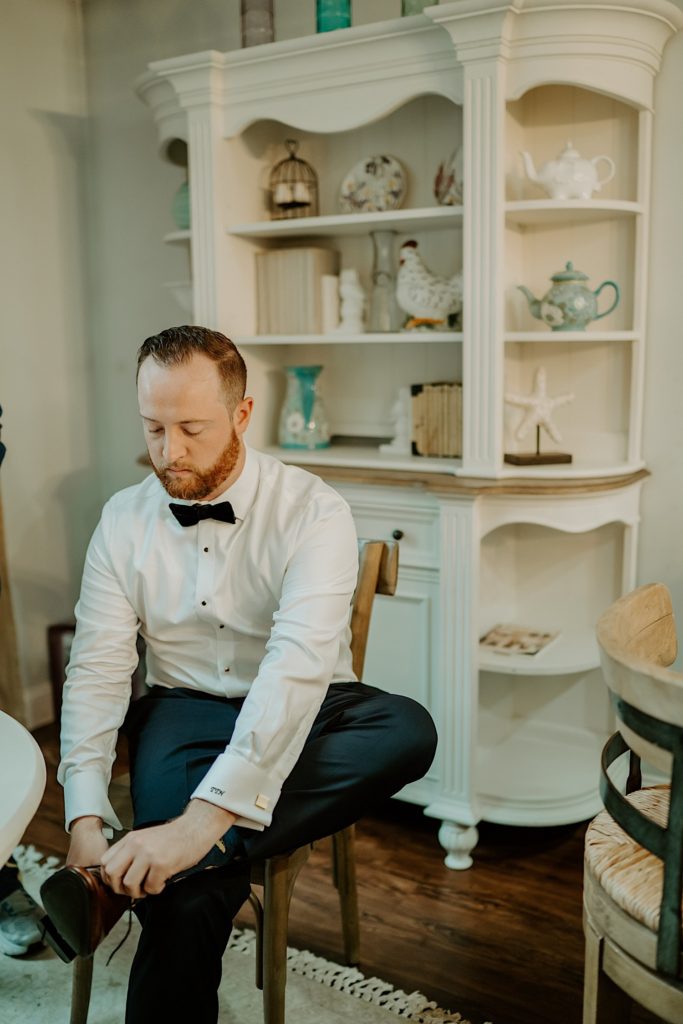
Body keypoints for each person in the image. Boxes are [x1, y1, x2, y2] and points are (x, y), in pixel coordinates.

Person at [49, 326, 437, 1024]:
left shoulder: (313, 510)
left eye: (191, 428)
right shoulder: (121, 521)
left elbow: (294, 669)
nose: (170, 452)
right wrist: (84, 814)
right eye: (154, 428)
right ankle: (178, 866)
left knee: (407, 728)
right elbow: (99, 668)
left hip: (313, 703)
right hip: (184, 709)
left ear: (243, 413)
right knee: (183, 896)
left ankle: (184, 851)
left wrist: (202, 823)